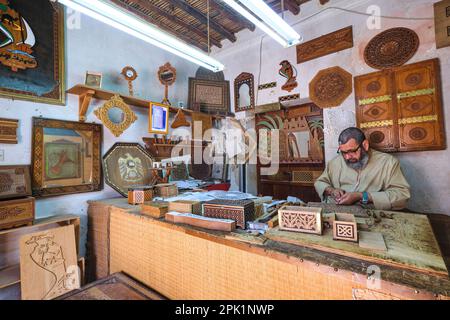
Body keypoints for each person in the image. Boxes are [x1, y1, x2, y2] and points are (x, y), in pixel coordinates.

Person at [314, 127, 410, 210]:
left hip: (371, 213)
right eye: (343, 152)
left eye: (352, 151)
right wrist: (332, 191)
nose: (347, 157)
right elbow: (320, 182)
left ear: (365, 145)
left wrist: (362, 196)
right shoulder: (335, 162)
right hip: (337, 210)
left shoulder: (388, 163)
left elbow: (402, 195)